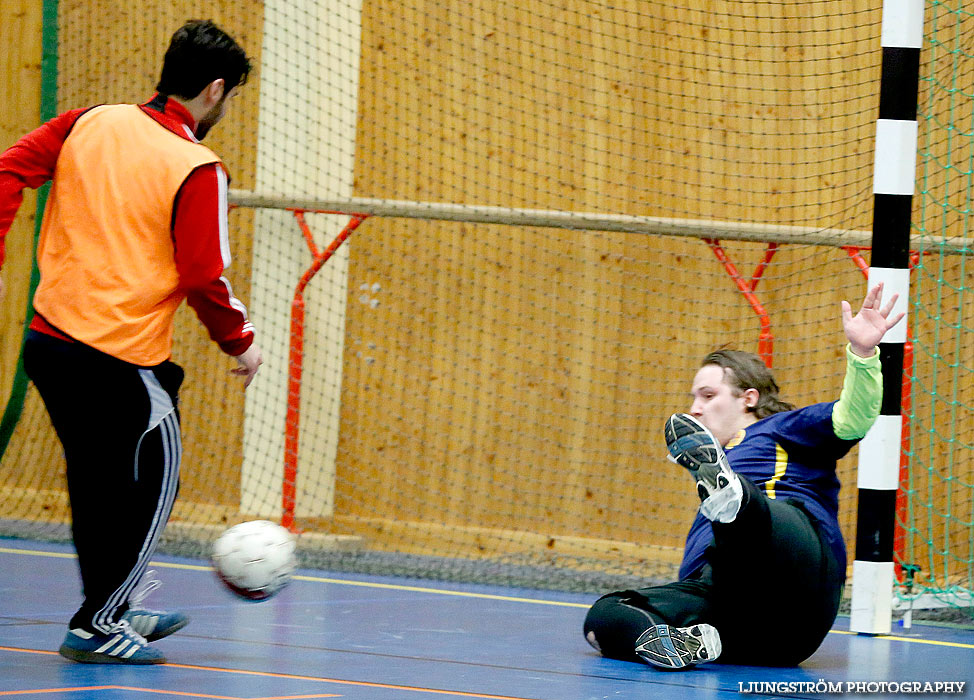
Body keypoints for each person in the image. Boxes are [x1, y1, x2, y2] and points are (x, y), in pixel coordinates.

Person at [0, 19, 262, 664]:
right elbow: (204, 274)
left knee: (99, 487)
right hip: (120, 359)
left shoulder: (89, 121)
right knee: (153, 486)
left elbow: (7, 171)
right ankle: (96, 625)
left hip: (49, 346)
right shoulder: (198, 165)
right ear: (215, 90)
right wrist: (240, 341)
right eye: (228, 99)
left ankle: (109, 611)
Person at [583, 284, 904, 669]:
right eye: (693, 399)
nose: (694, 408)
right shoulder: (712, 457)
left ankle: (735, 501)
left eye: (707, 395)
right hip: (761, 636)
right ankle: (674, 644)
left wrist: (864, 354)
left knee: (747, 513)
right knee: (605, 616)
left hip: (796, 579)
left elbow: (855, 417)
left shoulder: (783, 428)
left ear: (747, 398)